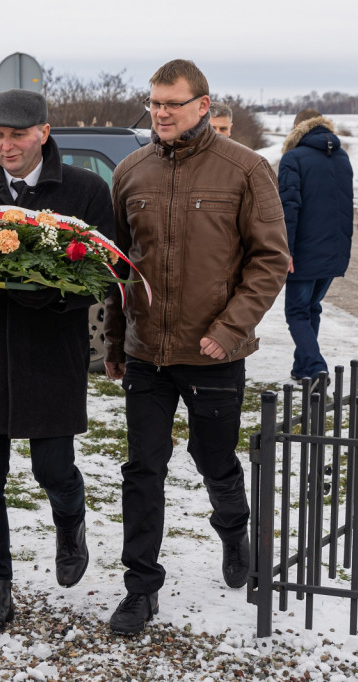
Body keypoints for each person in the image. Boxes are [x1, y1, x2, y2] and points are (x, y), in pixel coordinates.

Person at [103, 59, 289, 635]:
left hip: (212, 353)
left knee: (214, 460)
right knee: (142, 469)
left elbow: (271, 259)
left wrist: (231, 329)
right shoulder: (131, 171)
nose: (160, 113)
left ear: (203, 105)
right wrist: (115, 337)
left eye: (172, 103)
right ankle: (140, 587)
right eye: (153, 103)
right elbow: (119, 265)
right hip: (146, 354)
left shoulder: (246, 169)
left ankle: (235, 535)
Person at [0, 89, 115, 634]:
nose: (5, 146)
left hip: (51, 354)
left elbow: (104, 273)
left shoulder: (83, 191)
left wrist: (56, 295)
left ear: (44, 132)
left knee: (51, 468)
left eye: (16, 135)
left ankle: (71, 523)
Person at [278, 109, 353, 389]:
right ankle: (302, 368)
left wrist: (286, 250)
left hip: (303, 252)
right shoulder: (342, 157)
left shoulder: (293, 158)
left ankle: (315, 367)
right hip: (335, 250)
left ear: (298, 127)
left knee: (297, 312)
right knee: (312, 309)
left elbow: (289, 209)